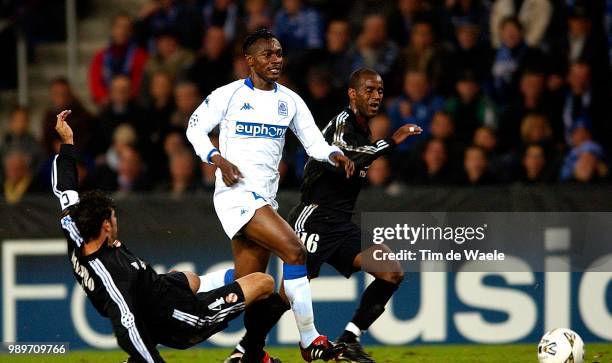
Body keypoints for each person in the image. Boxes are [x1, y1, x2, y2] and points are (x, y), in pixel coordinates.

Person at [229, 68, 423, 363]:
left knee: (391, 271)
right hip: (315, 217)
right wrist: (392, 141)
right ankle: (245, 350)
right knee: (287, 295)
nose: (376, 97)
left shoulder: (362, 128)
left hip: (340, 223)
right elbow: (348, 156)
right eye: (369, 90)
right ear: (352, 94)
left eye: (380, 91)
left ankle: (349, 341)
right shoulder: (341, 124)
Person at [51, 109, 275, 363]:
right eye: (114, 218)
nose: (116, 223)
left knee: (189, 278)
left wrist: (67, 143)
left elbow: (63, 188)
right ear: (104, 225)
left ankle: (233, 286)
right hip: (182, 318)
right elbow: (127, 324)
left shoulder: (75, 226)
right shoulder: (113, 275)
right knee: (264, 282)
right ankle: (250, 354)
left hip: (159, 291)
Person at [186, 28, 354, 363]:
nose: (276, 60)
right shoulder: (228, 95)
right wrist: (216, 158)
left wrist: (332, 154)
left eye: (278, 53)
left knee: (253, 284)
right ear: (249, 60)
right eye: (267, 54)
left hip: (264, 198)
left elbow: (314, 142)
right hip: (235, 196)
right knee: (295, 252)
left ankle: (188, 293)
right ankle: (309, 340)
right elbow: (194, 127)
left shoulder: (289, 101)